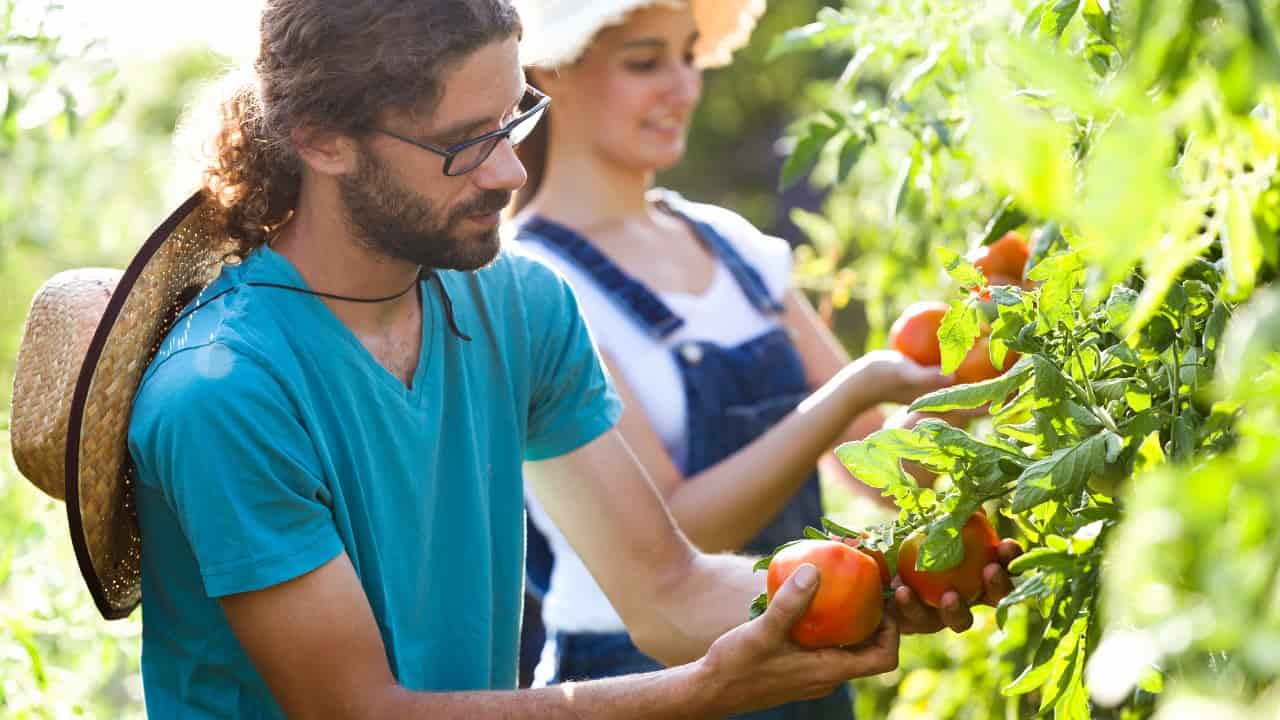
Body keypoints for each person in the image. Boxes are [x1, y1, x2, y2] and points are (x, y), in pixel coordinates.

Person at [7, 1, 1017, 718]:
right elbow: (360, 712)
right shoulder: (224, 393)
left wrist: (869, 587)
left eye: (515, 119)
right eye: (462, 144)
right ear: (321, 140)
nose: (504, 171)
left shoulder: (512, 303)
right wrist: (702, 694)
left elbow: (666, 592)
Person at [508, 1, 1016, 711]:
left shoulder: (731, 245)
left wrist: (966, 376)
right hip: (633, 672)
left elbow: (886, 475)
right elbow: (675, 535)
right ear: (549, 73)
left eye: (689, 57)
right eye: (645, 63)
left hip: (807, 643)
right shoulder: (530, 285)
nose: (682, 87)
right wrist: (853, 388)